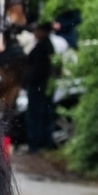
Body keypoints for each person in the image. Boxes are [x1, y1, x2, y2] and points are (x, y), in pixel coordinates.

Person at [23, 20, 56, 153]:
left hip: (38, 86)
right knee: (44, 114)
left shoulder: (42, 48)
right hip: (43, 86)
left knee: (36, 114)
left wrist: (28, 82)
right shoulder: (46, 46)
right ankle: (43, 142)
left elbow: (36, 69)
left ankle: (35, 144)